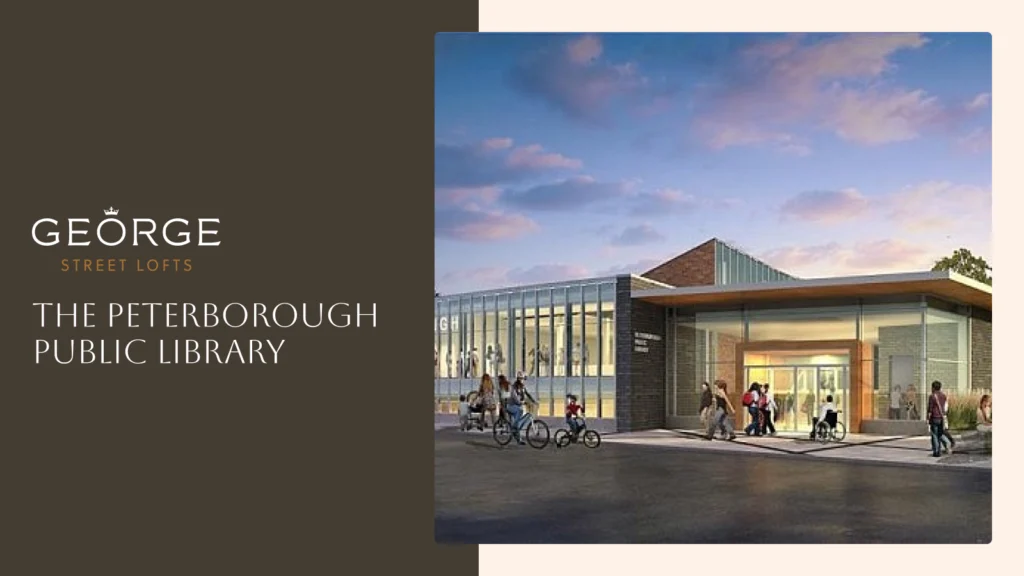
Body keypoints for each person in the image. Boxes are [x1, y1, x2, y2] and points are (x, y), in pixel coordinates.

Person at [507, 374, 537, 445]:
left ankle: (519, 440)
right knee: (520, 412)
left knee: (519, 419)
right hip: (511, 406)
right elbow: (515, 398)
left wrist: (534, 401)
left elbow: (528, 394)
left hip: (517, 406)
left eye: (524, 379)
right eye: (523, 379)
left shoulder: (522, 387)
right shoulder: (513, 387)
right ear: (519, 379)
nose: (524, 381)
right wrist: (521, 402)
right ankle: (514, 429)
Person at [926, 380, 948, 457]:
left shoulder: (932, 396)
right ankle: (946, 444)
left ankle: (936, 451)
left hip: (934, 417)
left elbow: (930, 409)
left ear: (933, 388)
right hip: (941, 418)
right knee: (940, 434)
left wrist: (928, 418)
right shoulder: (944, 396)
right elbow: (945, 407)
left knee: (934, 435)